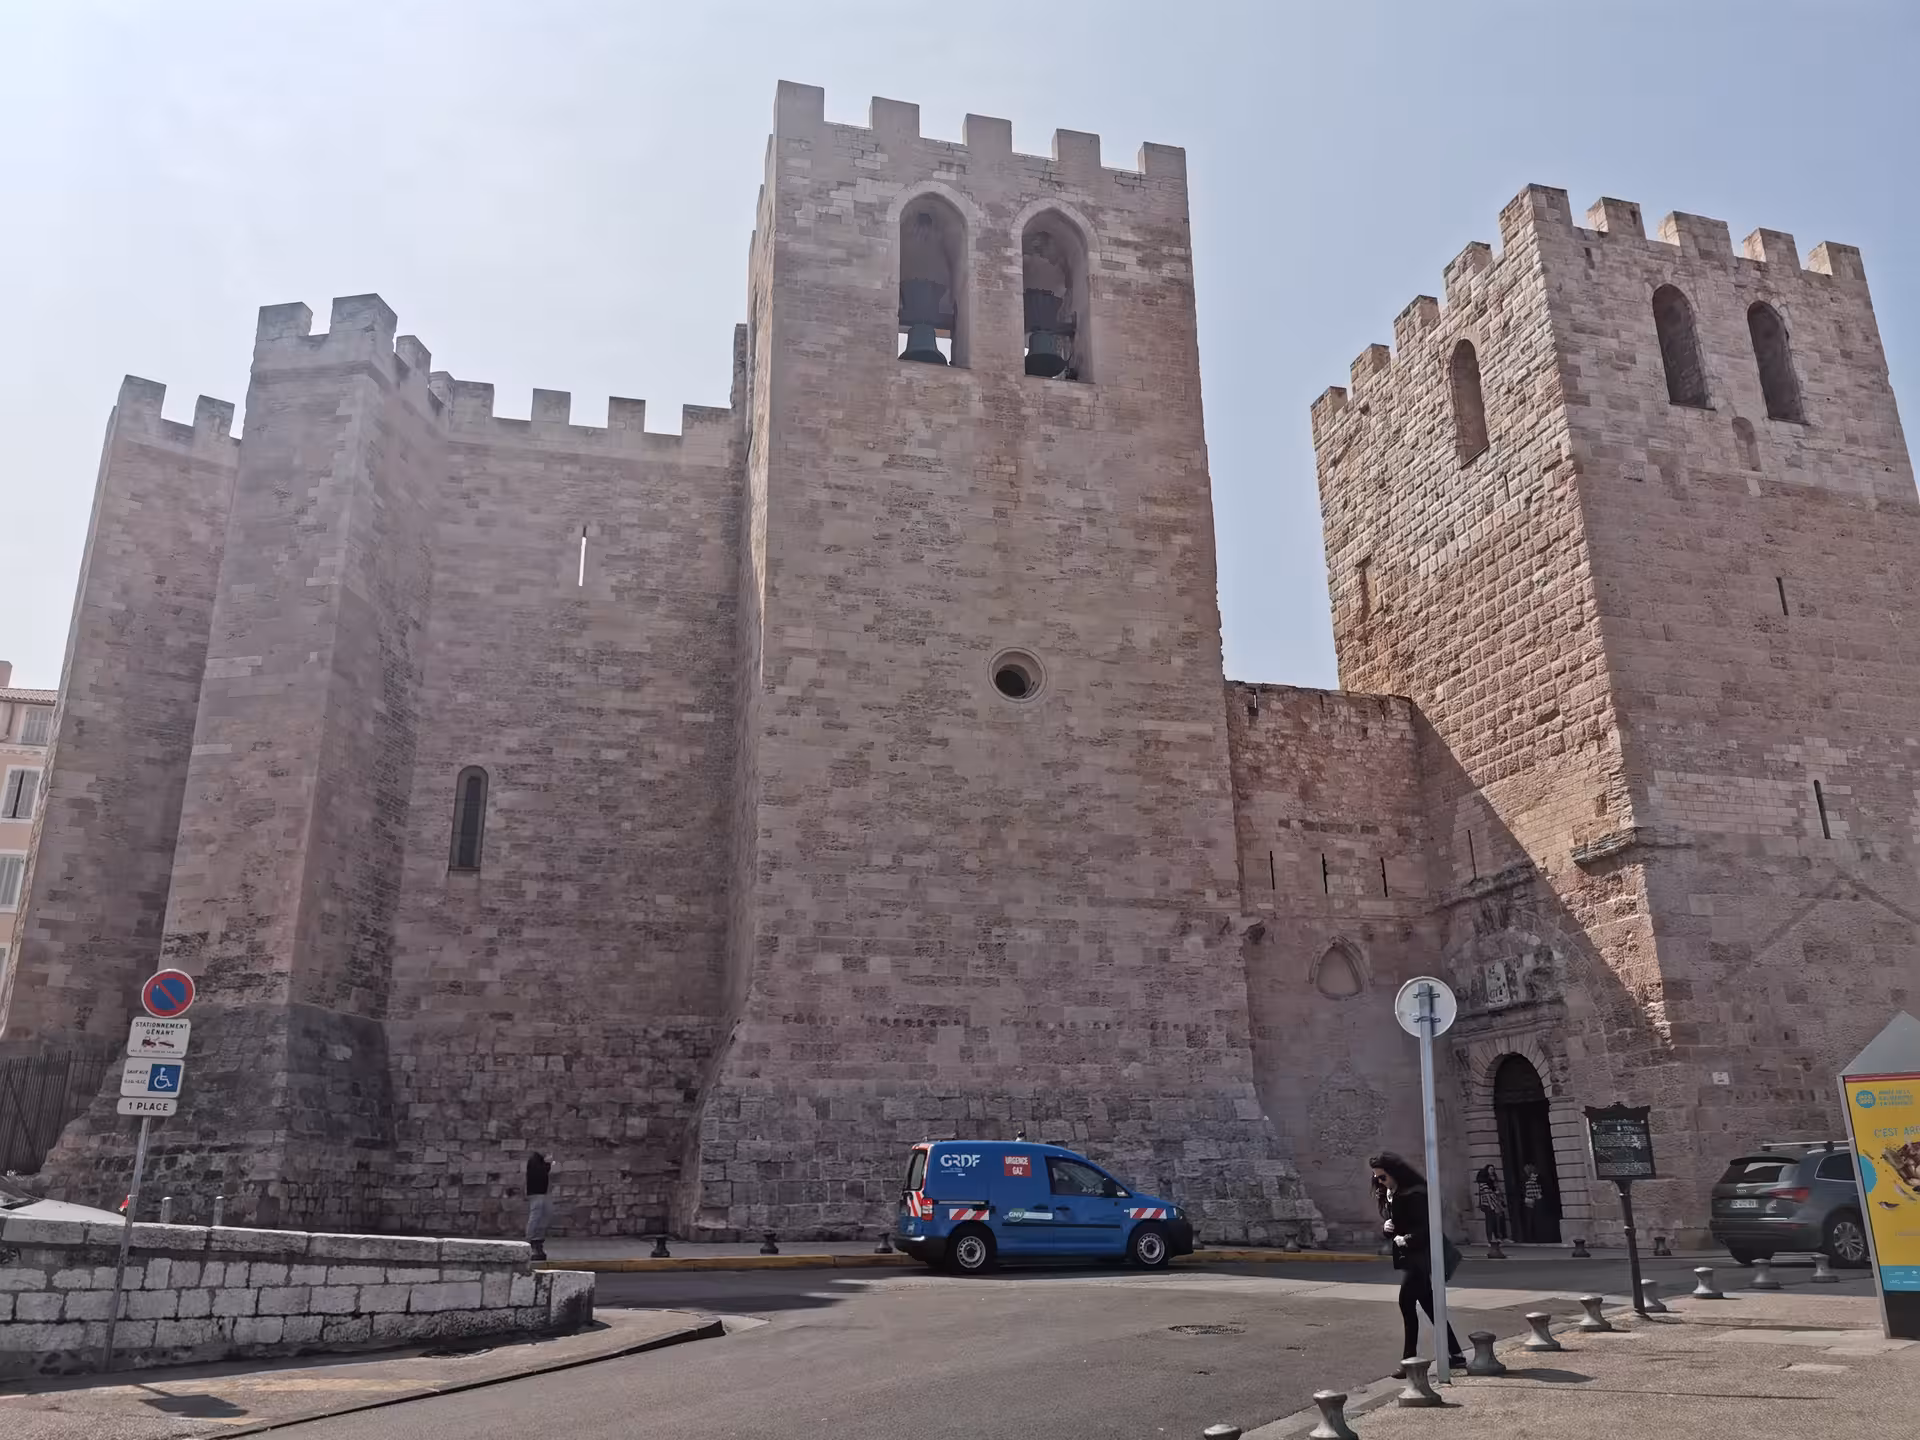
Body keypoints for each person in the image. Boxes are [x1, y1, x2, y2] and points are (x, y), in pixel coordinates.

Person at [1369, 1151, 1463, 1373]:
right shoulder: (1394, 1194)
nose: (1379, 1182)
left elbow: (1427, 1228)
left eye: (1382, 1177)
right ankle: (1456, 1354)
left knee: (1406, 1303)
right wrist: (1387, 1229)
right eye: (1376, 1179)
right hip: (1412, 1258)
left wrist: (1406, 1239)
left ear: (1394, 1173)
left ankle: (1409, 1362)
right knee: (1430, 1307)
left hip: (1421, 1258)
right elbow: (1396, 1225)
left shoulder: (1415, 1194)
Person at [526, 1150, 552, 1261]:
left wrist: (547, 1164)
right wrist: (547, 1163)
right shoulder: (534, 1161)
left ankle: (538, 1243)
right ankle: (530, 1243)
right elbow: (540, 1174)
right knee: (535, 1218)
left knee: (544, 1217)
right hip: (536, 1193)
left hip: (541, 1193)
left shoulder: (538, 1161)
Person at [1475, 1165, 1508, 1245]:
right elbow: (1487, 1195)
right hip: (1488, 1204)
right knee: (1490, 1222)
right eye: (1490, 1169)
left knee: (1495, 1221)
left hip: (1493, 1203)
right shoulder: (1483, 1183)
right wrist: (1493, 1205)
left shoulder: (1491, 1182)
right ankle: (1491, 1240)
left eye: (1493, 1169)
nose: (1492, 1171)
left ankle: (1497, 1238)